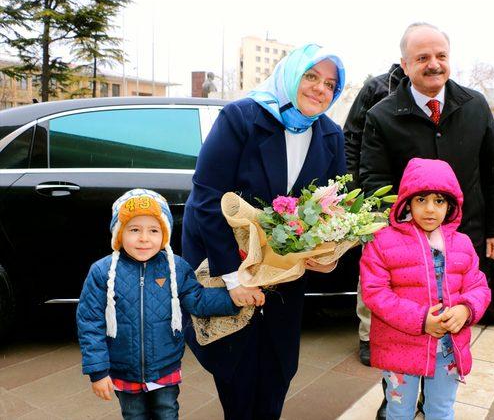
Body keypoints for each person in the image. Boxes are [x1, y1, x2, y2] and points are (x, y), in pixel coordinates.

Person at [181, 43, 346, 419]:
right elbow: (207, 198)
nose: (321, 88)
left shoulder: (330, 136)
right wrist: (232, 277)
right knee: (236, 370)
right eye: (311, 76)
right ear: (291, 75)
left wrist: (326, 256)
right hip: (232, 269)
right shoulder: (242, 118)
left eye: (330, 84)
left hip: (285, 279)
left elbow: (332, 212)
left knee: (277, 371)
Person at [76, 189, 239, 419]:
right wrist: (98, 371)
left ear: (164, 235)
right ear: (119, 233)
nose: (144, 238)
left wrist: (234, 299)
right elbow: (90, 322)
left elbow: (198, 300)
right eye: (134, 230)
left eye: (153, 230)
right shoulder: (102, 272)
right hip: (123, 368)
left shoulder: (176, 268)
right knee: (133, 415)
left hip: (166, 365)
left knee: (167, 411)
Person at [359, 22, 494, 267]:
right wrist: (398, 231)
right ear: (405, 65)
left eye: (441, 56)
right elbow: (375, 181)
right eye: (422, 58)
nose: (434, 64)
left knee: (465, 306)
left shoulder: (476, 105)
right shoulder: (381, 116)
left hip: (467, 241)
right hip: (405, 248)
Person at [361, 158, 491, 420]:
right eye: (421, 200)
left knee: (441, 411)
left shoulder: (462, 244)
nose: (430, 209)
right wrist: (421, 320)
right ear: (406, 202)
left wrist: (466, 310)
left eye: (439, 201)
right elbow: (375, 292)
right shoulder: (382, 241)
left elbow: (479, 286)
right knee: (398, 411)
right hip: (400, 347)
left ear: (451, 205)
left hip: (448, 348)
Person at [343, 63, 406, 366]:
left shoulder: (439, 91)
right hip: (378, 196)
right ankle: (368, 336)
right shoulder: (377, 87)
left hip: (420, 198)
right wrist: (356, 193)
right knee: (375, 269)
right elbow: (351, 138)